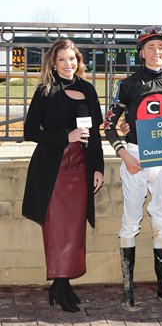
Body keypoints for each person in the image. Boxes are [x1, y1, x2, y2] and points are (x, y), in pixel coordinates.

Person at [103, 26, 162, 306]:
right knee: (131, 220)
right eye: (150, 47)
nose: (156, 52)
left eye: (161, 47)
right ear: (141, 52)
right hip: (136, 155)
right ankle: (128, 288)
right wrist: (124, 154)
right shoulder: (128, 85)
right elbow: (109, 126)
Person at [22, 39, 104, 313]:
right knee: (57, 229)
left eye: (72, 59)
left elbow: (95, 137)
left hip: (80, 168)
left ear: (78, 61)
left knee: (74, 229)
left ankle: (62, 285)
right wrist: (64, 137)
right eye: (62, 60)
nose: (68, 64)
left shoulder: (88, 90)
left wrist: (98, 168)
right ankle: (59, 284)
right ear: (53, 64)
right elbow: (30, 131)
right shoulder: (46, 90)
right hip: (53, 170)